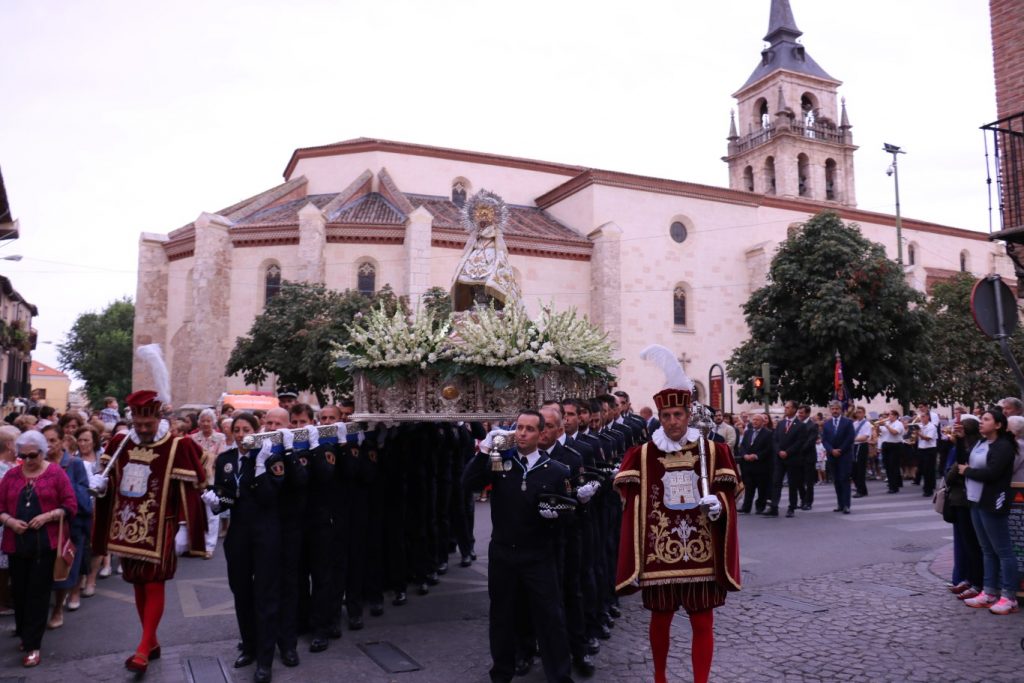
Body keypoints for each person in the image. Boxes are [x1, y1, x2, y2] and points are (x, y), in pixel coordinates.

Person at [614, 345, 740, 683]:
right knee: (660, 622)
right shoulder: (642, 454)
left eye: (678, 416)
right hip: (660, 559)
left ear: (688, 415)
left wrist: (720, 504)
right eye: (667, 416)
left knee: (702, 623)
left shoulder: (714, 451)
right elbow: (626, 494)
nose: (672, 422)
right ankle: (660, 677)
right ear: (660, 417)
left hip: (702, 554)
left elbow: (731, 492)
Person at [90, 387, 208, 674]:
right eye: (138, 425)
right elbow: (109, 477)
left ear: (158, 419)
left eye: (148, 425)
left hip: (160, 527)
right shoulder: (121, 442)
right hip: (126, 526)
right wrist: (102, 484)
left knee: (154, 582)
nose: (142, 429)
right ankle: (151, 641)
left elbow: (195, 483)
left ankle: (142, 649)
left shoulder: (177, 446)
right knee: (138, 584)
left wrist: (184, 527)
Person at [463, 410, 575, 683]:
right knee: (502, 616)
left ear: (541, 434)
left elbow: (569, 515)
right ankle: (502, 672)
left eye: (529, 429)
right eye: (519, 428)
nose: (522, 433)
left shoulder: (557, 471)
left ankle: (559, 675)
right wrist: (484, 451)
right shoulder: (502, 463)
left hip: (538, 555)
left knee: (550, 618)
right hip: (503, 553)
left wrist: (556, 516)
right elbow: (468, 482)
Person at [210, 413, 286, 683]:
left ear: (257, 431)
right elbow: (226, 494)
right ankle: (249, 646)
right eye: (237, 430)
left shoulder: (270, 458)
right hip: (239, 536)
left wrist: (261, 466)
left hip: (266, 534)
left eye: (246, 429)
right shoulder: (226, 460)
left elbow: (270, 497)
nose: (241, 435)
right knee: (241, 593)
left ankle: (265, 660)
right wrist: (217, 500)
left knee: (265, 596)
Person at [0, 430, 77, 667]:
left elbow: (70, 505)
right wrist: (10, 521)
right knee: (20, 593)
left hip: (45, 545)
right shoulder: (11, 475)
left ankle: (33, 644)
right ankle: (25, 633)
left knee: (38, 595)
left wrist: (47, 516)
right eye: (23, 457)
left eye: (33, 456)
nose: (28, 461)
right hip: (17, 543)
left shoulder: (55, 474)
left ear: (42, 453)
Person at [959, 410, 1020, 614]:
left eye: (986, 419)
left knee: (1003, 550)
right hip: (976, 500)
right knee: (986, 549)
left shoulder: (1003, 447)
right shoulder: (980, 443)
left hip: (993, 500)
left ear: (998, 425)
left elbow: (992, 473)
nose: (981, 423)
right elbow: (965, 462)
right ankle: (989, 591)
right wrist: (959, 443)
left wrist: (967, 472)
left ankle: (1009, 596)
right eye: (981, 419)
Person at [944, 415, 983, 600]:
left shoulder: (977, 447)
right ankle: (969, 579)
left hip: (967, 499)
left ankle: (976, 582)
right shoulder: (965, 445)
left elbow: (955, 472)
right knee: (967, 544)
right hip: (961, 499)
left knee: (973, 545)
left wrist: (955, 472)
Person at [191, 408, 227, 557]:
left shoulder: (220, 437)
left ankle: (210, 547)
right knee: (196, 513)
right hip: (196, 480)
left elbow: (222, 457)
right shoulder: (192, 438)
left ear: (213, 422)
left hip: (213, 479)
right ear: (198, 422)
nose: (206, 423)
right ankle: (196, 545)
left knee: (212, 513)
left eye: (208, 421)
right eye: (203, 420)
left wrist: (208, 459)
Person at [771, 400, 805, 517]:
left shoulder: (800, 425)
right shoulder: (780, 424)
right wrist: (779, 451)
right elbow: (775, 439)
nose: (785, 409)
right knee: (776, 482)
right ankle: (774, 506)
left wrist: (788, 452)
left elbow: (799, 442)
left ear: (794, 409)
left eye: (788, 407)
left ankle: (792, 507)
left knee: (792, 484)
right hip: (779, 458)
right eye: (785, 407)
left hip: (792, 459)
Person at [822, 401, 855, 514]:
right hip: (832, 456)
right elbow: (824, 440)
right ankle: (840, 504)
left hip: (844, 455)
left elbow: (850, 438)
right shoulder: (827, 424)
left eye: (837, 409)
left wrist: (840, 449)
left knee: (844, 479)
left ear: (840, 410)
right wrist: (831, 450)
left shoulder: (847, 422)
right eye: (833, 409)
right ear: (830, 410)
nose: (835, 411)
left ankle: (846, 505)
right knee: (836, 480)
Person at [737, 413, 772, 514]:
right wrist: (744, 455)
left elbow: (768, 449)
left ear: (762, 422)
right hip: (748, 465)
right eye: (754, 420)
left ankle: (760, 506)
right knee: (748, 487)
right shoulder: (748, 432)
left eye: (757, 420)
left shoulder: (768, 433)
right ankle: (746, 507)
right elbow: (743, 446)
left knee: (762, 488)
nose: (755, 422)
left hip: (761, 465)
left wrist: (756, 456)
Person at [878, 410, 905, 494]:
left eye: (891, 415)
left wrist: (886, 425)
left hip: (895, 446)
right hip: (886, 445)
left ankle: (894, 487)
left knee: (893, 467)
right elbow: (880, 433)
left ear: (896, 416)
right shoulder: (887, 423)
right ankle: (891, 485)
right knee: (887, 466)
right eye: (888, 415)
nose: (889, 416)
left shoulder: (899, 424)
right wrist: (878, 427)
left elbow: (894, 432)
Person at [915, 408, 939, 497]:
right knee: (923, 469)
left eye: (923, 417)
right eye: (921, 417)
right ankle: (927, 487)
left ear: (928, 417)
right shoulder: (920, 425)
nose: (921, 418)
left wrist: (919, 434)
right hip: (922, 449)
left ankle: (928, 490)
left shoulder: (931, 426)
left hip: (929, 449)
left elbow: (928, 438)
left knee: (928, 470)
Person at [850, 407, 872, 498]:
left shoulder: (866, 423)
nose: (858, 414)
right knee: (854, 469)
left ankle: (861, 490)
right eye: (857, 412)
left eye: (860, 412)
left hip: (862, 446)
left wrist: (852, 439)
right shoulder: (854, 423)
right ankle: (861, 489)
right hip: (854, 446)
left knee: (860, 469)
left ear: (863, 413)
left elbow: (865, 437)